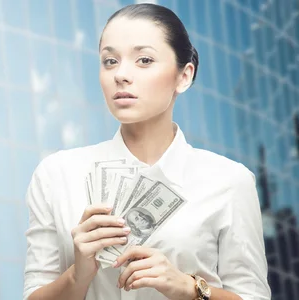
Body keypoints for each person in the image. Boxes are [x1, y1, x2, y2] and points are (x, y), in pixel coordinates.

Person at [22, 3, 271, 300]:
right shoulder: (57, 174)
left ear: (184, 76)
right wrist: (78, 274)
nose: (121, 75)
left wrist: (189, 288)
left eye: (144, 60)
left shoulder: (229, 181)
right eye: (110, 61)